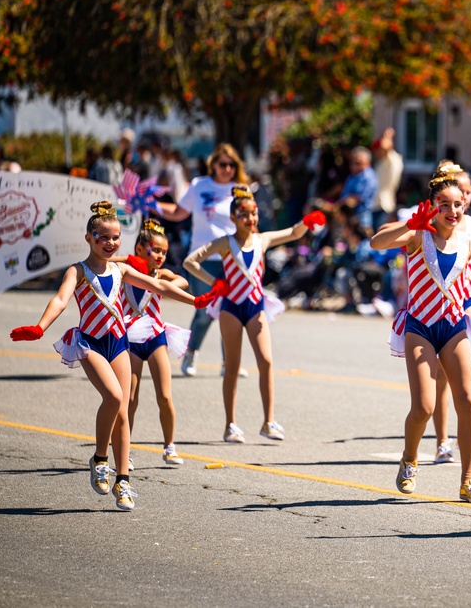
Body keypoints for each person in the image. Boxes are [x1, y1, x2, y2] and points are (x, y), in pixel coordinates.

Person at [9, 201, 215, 510]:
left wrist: (195, 301)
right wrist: (40, 327)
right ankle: (99, 459)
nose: (110, 243)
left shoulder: (122, 270)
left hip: (118, 342)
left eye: (115, 237)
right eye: (103, 237)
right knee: (116, 398)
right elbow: (61, 298)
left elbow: (158, 285)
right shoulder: (77, 271)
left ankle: (123, 482)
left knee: (122, 410)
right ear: (89, 238)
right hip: (90, 343)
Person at [370, 169, 471, 504]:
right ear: (432, 206)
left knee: (467, 402)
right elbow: (376, 242)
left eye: (458, 204)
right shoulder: (416, 237)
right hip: (420, 326)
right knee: (424, 406)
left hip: (454, 328)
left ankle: (468, 481)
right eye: (445, 205)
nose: (453, 211)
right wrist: (411, 223)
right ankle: (409, 458)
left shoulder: (469, 242)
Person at [183, 187, 326, 444]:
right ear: (234, 217)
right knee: (233, 367)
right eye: (244, 214)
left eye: (254, 213)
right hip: (231, 308)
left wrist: (306, 222)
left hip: (255, 306)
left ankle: (268, 422)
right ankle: (230, 425)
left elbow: (293, 233)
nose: (250, 219)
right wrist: (215, 282)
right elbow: (191, 261)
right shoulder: (225, 242)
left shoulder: (263, 239)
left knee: (266, 361)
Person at [153, 143, 250, 378]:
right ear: (213, 165)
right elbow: (178, 212)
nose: (226, 169)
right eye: (222, 164)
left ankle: (229, 363)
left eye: (231, 165)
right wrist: (150, 205)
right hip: (203, 257)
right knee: (205, 309)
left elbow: (249, 222)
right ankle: (191, 352)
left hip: (233, 258)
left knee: (232, 312)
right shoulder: (199, 186)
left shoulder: (240, 189)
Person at [431, 163, 471, 463]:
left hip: (467, 299)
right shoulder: (434, 223)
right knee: (443, 375)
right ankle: (443, 440)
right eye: (459, 191)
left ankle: (470, 429)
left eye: (468, 192)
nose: (464, 197)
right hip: (441, 301)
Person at [120, 219, 191, 466]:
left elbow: (182, 281)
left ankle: (169, 446)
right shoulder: (125, 270)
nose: (160, 255)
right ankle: (123, 449)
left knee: (165, 396)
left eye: (164, 251)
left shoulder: (160, 275)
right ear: (140, 249)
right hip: (130, 338)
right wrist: (128, 260)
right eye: (155, 249)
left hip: (155, 337)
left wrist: (165, 284)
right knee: (129, 398)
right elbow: (107, 262)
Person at [371, 128, 403, 229]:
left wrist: (387, 135)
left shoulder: (391, 159)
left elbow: (385, 146)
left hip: (383, 205)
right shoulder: (381, 163)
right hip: (377, 204)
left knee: (381, 239)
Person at [339, 146, 378, 230]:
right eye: (352, 163)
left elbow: (361, 197)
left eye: (358, 163)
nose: (354, 166)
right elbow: (344, 194)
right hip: (349, 215)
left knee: (363, 241)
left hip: (362, 216)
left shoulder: (369, 177)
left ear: (367, 163)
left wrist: (347, 200)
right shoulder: (352, 176)